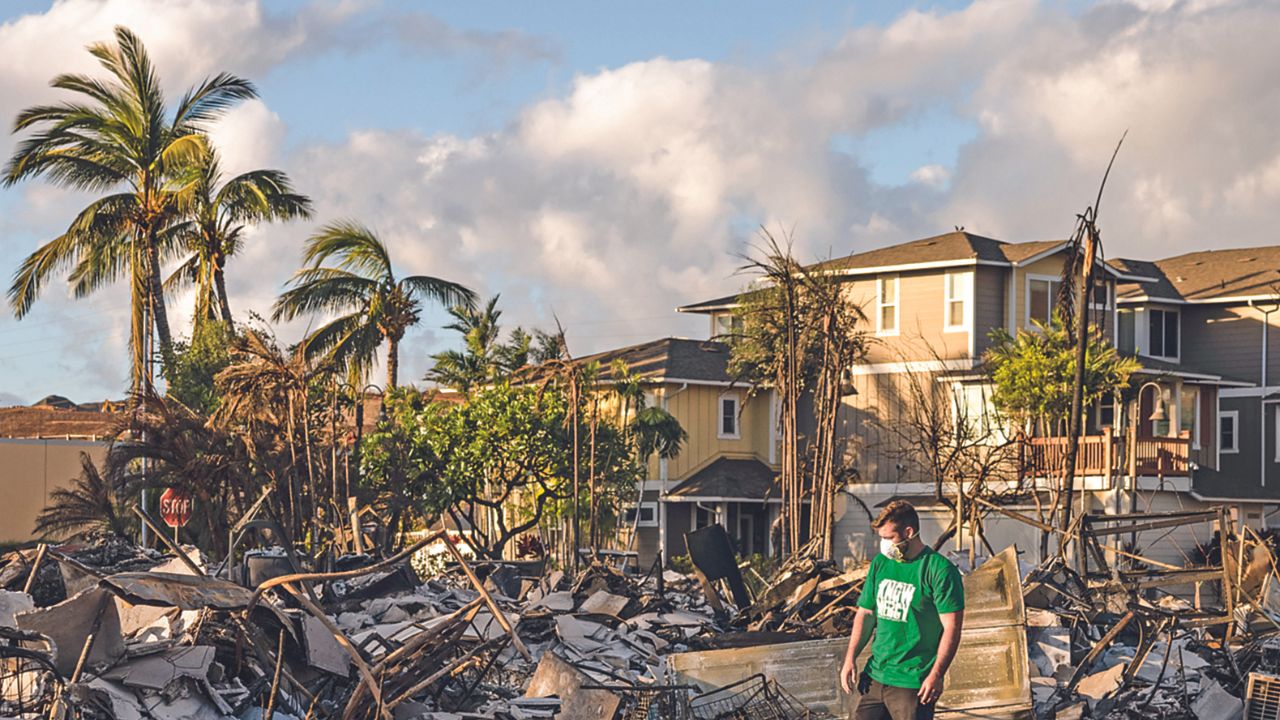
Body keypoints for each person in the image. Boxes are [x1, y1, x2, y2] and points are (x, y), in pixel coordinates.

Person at [839, 500, 965, 720]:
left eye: (889, 538)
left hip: (913, 683)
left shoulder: (939, 570)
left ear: (909, 532)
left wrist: (936, 674)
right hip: (875, 677)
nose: (884, 545)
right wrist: (850, 658)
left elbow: (952, 628)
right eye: (882, 538)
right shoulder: (881, 563)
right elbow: (866, 614)